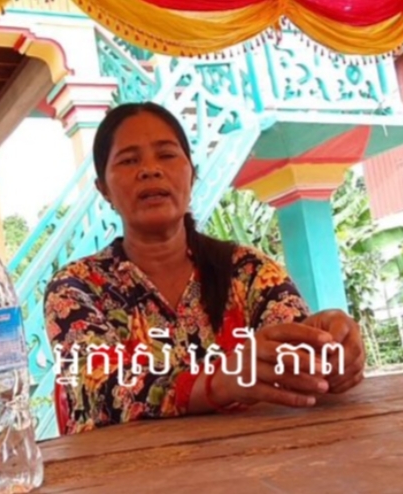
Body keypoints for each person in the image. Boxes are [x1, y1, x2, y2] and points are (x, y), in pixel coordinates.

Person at [43, 102, 367, 435]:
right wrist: (218, 381)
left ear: (192, 174)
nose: (150, 169)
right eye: (128, 160)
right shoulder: (76, 288)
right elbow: (97, 388)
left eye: (166, 155)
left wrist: (329, 350)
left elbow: (293, 353)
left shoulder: (249, 272)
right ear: (103, 189)